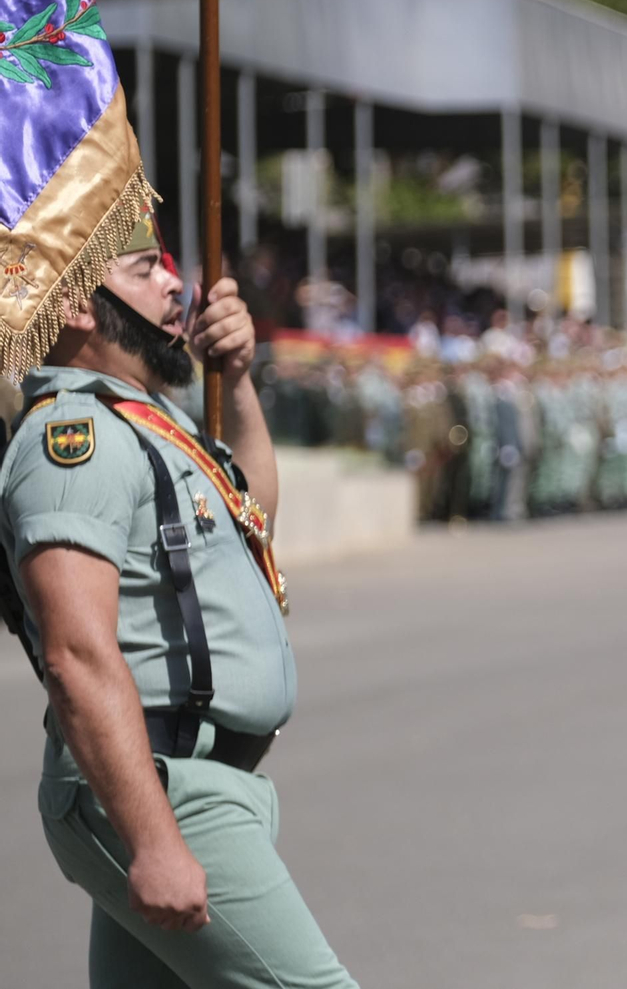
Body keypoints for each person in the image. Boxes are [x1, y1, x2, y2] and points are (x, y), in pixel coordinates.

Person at [0, 213, 359, 988]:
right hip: (164, 786)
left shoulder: (144, 419)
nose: (176, 284)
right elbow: (75, 652)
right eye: (144, 270)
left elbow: (251, 519)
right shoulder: (75, 438)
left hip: (199, 782)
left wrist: (236, 376)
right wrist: (154, 839)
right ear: (77, 306)